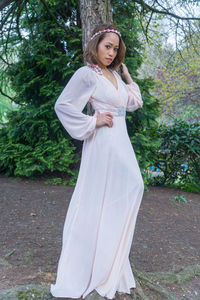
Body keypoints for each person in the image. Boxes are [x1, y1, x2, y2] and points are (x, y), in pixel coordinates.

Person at [51, 23, 144, 299]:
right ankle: (89, 265)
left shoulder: (113, 75)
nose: (112, 53)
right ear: (96, 45)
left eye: (116, 49)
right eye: (107, 46)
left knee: (130, 189)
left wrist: (127, 77)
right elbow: (63, 105)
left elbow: (133, 103)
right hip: (103, 144)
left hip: (121, 145)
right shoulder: (87, 74)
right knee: (98, 198)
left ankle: (110, 260)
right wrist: (93, 120)